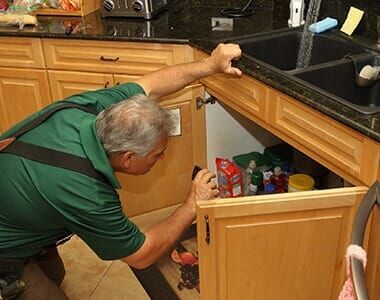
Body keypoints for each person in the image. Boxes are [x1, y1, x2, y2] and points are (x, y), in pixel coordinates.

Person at [0, 43, 242, 299]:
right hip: (5, 245)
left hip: (20, 202)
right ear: (128, 158)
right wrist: (192, 204)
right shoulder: (87, 192)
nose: (162, 158)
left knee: (56, 275)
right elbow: (141, 255)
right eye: (157, 155)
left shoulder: (92, 110)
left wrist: (210, 65)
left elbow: (151, 85)